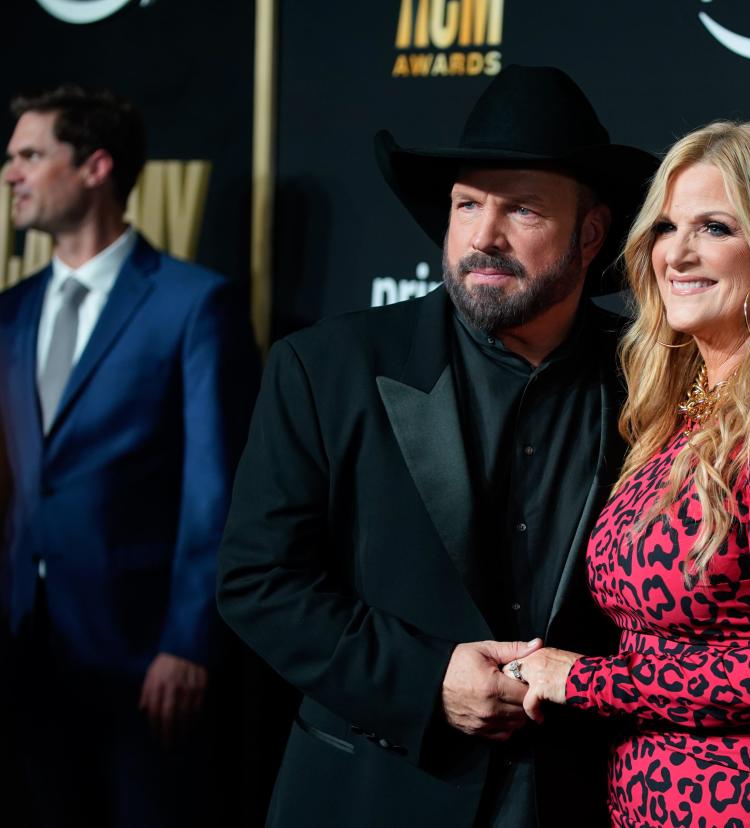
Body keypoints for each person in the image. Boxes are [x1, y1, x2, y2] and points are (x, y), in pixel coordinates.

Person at [215, 65, 659, 827]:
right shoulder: (325, 368)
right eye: (465, 205)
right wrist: (427, 681)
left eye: (521, 208)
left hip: (584, 793)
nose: (482, 236)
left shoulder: (653, 379)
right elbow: (260, 583)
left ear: (590, 234)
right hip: (372, 790)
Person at [512, 121, 750, 826]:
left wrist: (581, 678)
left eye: (714, 227)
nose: (676, 254)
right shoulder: (679, 406)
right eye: (665, 226)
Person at [0, 85, 258, 826]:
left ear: (95, 166)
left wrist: (187, 643)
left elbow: (215, 491)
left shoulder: (192, 304)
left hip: (141, 657)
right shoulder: (10, 312)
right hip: (21, 651)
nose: (10, 173)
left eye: (29, 155)